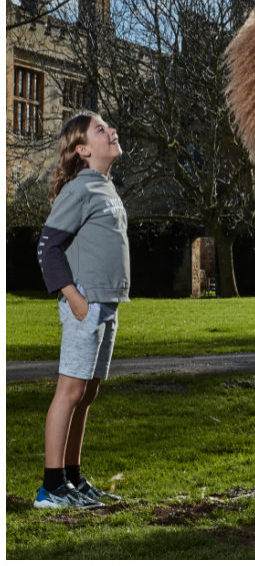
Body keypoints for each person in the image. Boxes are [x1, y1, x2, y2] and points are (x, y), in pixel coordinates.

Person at [34, 112, 129, 509]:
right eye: (100, 129)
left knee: (87, 393)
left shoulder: (104, 187)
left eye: (108, 125)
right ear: (83, 150)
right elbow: (46, 248)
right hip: (85, 305)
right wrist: (74, 297)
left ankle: (72, 478)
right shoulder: (80, 189)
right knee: (69, 391)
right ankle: (51, 487)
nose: (111, 131)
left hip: (106, 305)